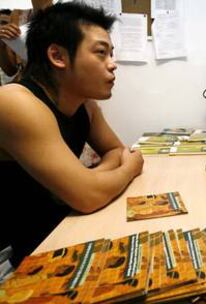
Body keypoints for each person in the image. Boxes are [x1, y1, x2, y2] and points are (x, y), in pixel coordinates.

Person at [0, 2, 144, 268]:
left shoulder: (85, 106)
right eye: (101, 53)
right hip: (32, 259)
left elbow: (115, 151)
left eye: (111, 53)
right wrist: (130, 168)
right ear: (58, 56)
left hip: (70, 230)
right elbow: (89, 196)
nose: (113, 65)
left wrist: (90, 179)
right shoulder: (14, 102)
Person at [0, 0, 53, 83]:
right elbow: (10, 71)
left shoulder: (67, 15)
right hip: (27, 84)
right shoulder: (18, 15)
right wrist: (2, 43)